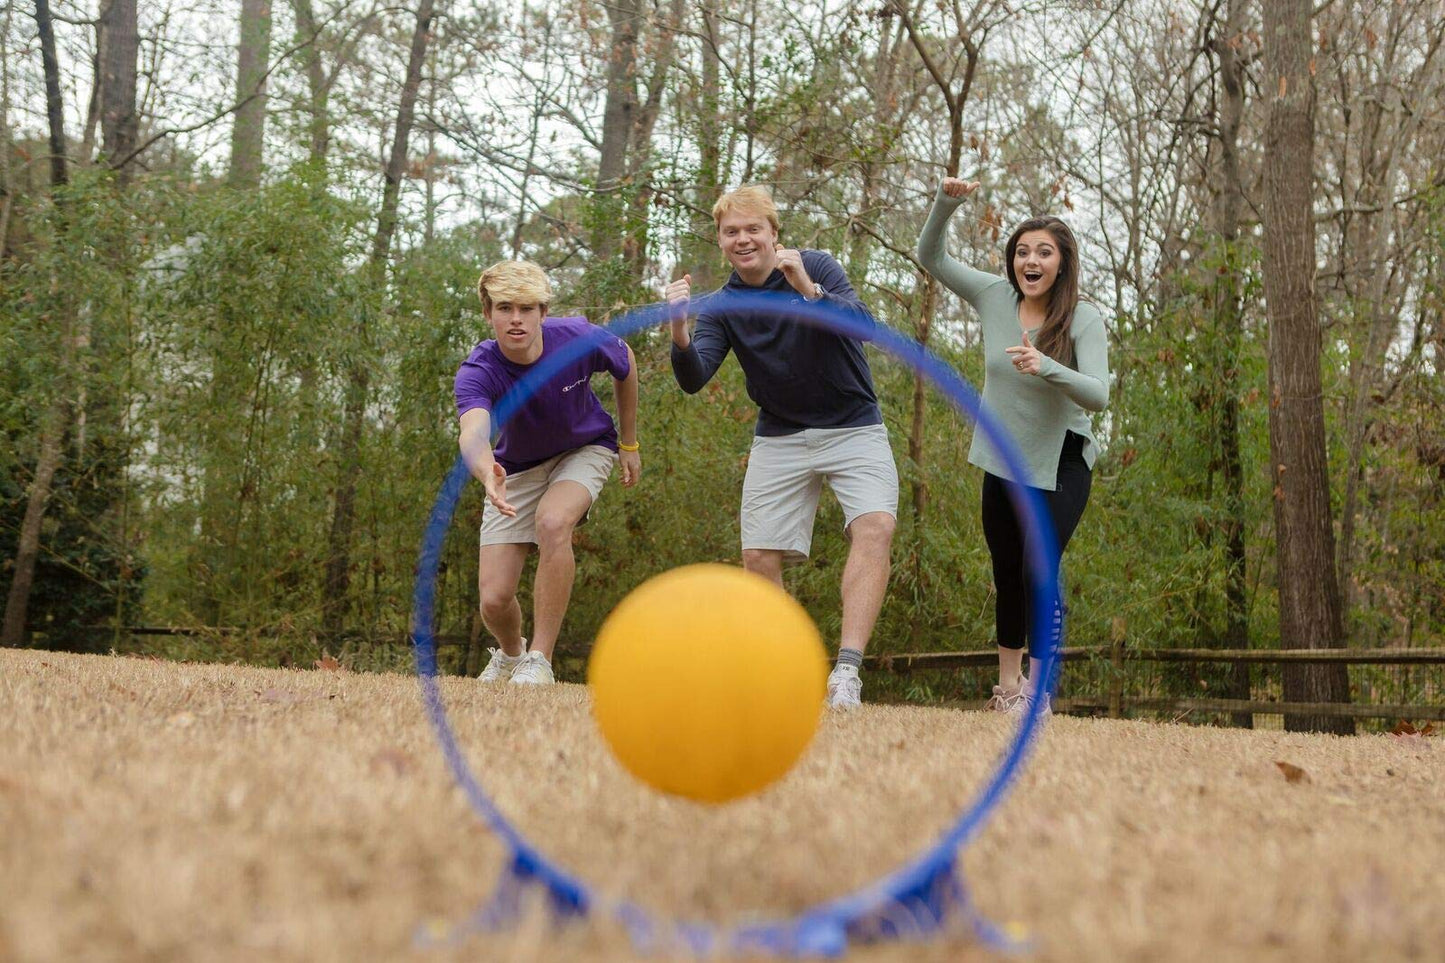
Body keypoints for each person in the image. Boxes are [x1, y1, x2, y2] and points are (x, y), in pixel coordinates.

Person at [665, 185, 898, 710]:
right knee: (756, 555)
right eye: (732, 232)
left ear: (774, 232)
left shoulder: (817, 265)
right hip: (781, 434)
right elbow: (694, 377)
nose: (743, 239)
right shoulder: (723, 305)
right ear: (720, 242)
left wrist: (809, 289)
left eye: (753, 229)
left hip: (853, 425)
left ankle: (846, 674)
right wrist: (679, 332)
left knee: (876, 527)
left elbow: (865, 327)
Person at [917, 177, 1109, 717]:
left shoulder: (1082, 317)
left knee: (1037, 568)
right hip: (1002, 455)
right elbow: (930, 256)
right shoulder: (993, 295)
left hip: (1062, 458)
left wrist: (1047, 365)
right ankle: (1009, 688)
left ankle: (1039, 690)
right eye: (1023, 251)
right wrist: (946, 202)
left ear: (1062, 263)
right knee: (1006, 569)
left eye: (1043, 252)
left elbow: (1098, 394)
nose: (1031, 260)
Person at [454, 260, 641, 686]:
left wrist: (629, 442)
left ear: (543, 312)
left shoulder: (576, 338)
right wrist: (487, 473)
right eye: (504, 308)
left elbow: (625, 362)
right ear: (488, 314)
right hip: (514, 467)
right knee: (495, 600)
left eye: (527, 308)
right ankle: (512, 654)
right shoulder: (479, 370)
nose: (516, 319)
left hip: (585, 448)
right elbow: (473, 432)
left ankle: (540, 659)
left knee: (554, 521)